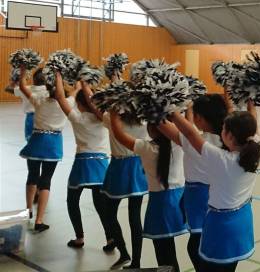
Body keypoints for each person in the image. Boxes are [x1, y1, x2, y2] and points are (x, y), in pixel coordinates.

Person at [168, 103, 260, 272]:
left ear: (230, 136)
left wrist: (171, 110)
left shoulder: (221, 158)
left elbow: (190, 133)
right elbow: (252, 118)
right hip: (242, 221)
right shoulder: (254, 150)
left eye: (224, 129)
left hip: (221, 225)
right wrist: (250, 101)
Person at [157, 95, 227, 272]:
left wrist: (154, 101)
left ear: (200, 119)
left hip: (199, 201)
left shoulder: (194, 142)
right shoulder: (229, 141)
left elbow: (161, 124)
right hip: (222, 201)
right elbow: (188, 130)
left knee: (196, 247)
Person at [109, 113, 187, 271]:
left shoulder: (146, 148)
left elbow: (119, 135)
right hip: (178, 201)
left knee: (164, 256)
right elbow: (188, 127)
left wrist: (113, 113)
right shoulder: (179, 145)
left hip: (159, 204)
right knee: (169, 252)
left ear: (151, 129)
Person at [52, 73, 113, 250]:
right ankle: (110, 238)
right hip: (101, 165)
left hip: (82, 165)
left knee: (72, 201)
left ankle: (79, 238)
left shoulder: (77, 118)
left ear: (79, 104)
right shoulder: (104, 119)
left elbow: (60, 97)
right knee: (101, 204)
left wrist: (58, 75)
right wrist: (85, 85)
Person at [17, 67, 69, 232]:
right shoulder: (68, 103)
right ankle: (39, 220)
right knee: (46, 180)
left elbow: (22, 86)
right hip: (53, 145)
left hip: (36, 142)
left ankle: (28, 211)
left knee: (32, 175)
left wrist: (23, 70)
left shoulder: (39, 100)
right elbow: (74, 90)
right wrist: (61, 75)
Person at [101, 107, 148, 270]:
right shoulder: (144, 118)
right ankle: (136, 262)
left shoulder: (110, 117)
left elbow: (96, 109)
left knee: (109, 212)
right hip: (139, 166)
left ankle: (124, 253)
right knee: (135, 216)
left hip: (119, 167)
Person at [5, 70, 48, 141]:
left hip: (30, 118)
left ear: (33, 79)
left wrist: (15, 80)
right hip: (45, 118)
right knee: (43, 140)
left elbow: (7, 89)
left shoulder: (25, 89)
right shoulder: (49, 91)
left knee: (30, 140)